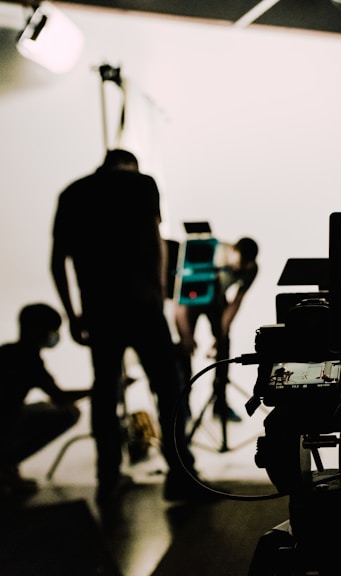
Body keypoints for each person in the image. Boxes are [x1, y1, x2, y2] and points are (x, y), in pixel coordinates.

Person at [51, 148, 210, 504]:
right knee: (168, 391)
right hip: (142, 305)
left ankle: (108, 478)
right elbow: (157, 245)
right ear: (131, 165)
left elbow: (57, 260)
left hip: (99, 309)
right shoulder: (142, 184)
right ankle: (182, 476)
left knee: (106, 393)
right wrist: (159, 297)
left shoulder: (73, 192)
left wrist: (72, 313)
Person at [0, 303, 89, 502]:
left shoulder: (8, 351)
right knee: (69, 413)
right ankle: (6, 463)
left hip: (10, 416)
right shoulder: (29, 360)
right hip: (6, 421)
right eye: (52, 330)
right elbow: (60, 397)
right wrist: (97, 389)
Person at [174, 237, 258, 422]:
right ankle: (183, 404)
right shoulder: (210, 253)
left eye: (243, 267)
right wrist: (186, 335)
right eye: (237, 263)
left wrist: (221, 335)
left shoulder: (250, 270)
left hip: (217, 299)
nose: (238, 269)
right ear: (231, 251)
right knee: (183, 349)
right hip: (192, 300)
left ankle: (220, 402)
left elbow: (235, 303)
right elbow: (179, 300)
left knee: (225, 345)